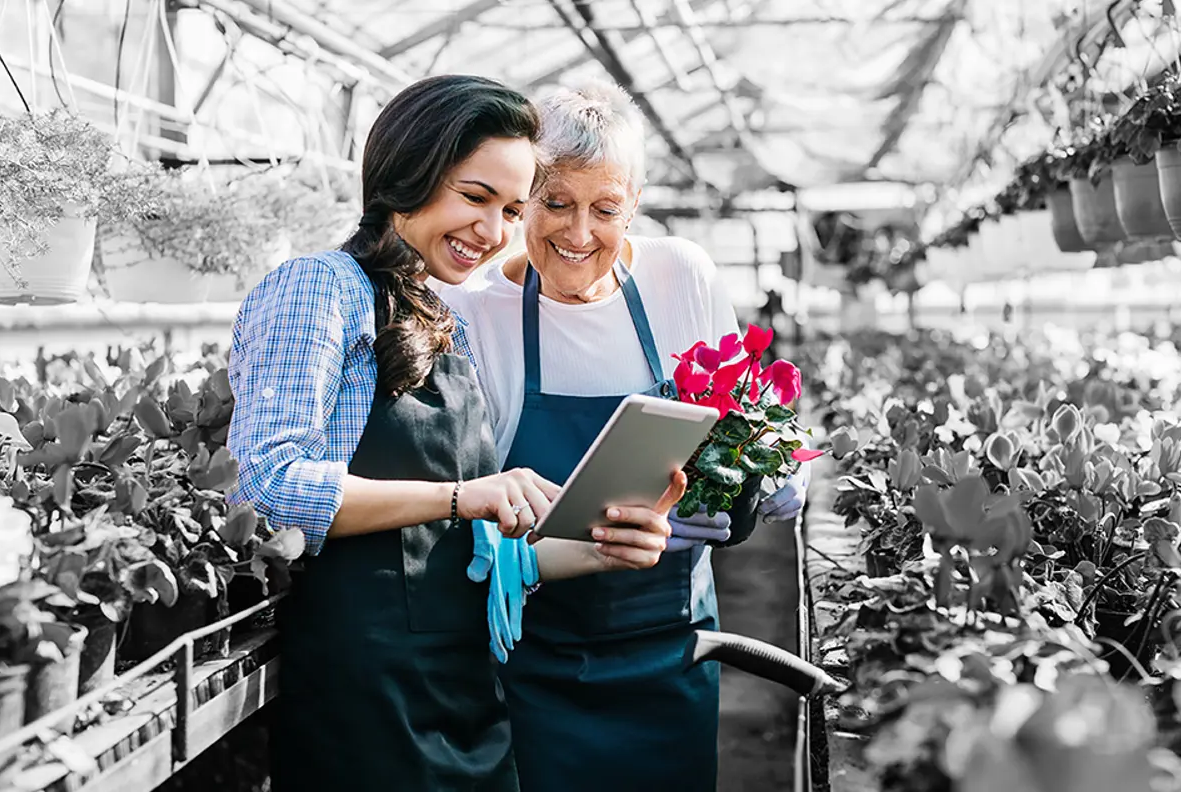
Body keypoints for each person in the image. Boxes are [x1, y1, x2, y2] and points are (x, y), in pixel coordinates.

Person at [226, 75, 684, 792]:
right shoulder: (320, 287)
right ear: (409, 173)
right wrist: (462, 495)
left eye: (509, 209)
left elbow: (477, 557)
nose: (495, 232)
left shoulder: (443, 317)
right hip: (369, 695)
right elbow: (268, 490)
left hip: (464, 688)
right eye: (475, 197)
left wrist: (602, 548)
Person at [441, 79, 809, 792]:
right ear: (523, 199)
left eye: (605, 209)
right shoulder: (475, 312)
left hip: (671, 649)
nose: (579, 235)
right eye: (555, 204)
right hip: (535, 662)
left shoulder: (681, 276)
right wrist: (548, 550)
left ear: (633, 206)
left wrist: (762, 480)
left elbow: (740, 429)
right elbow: (465, 515)